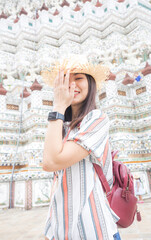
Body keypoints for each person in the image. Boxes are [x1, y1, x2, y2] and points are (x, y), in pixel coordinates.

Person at [42, 56, 121, 240]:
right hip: (61, 231)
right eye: (66, 79)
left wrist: (59, 105)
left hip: (94, 230)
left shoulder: (97, 119)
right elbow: (58, 183)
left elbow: (51, 162)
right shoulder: (61, 126)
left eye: (78, 78)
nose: (72, 85)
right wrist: (49, 231)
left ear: (90, 83)